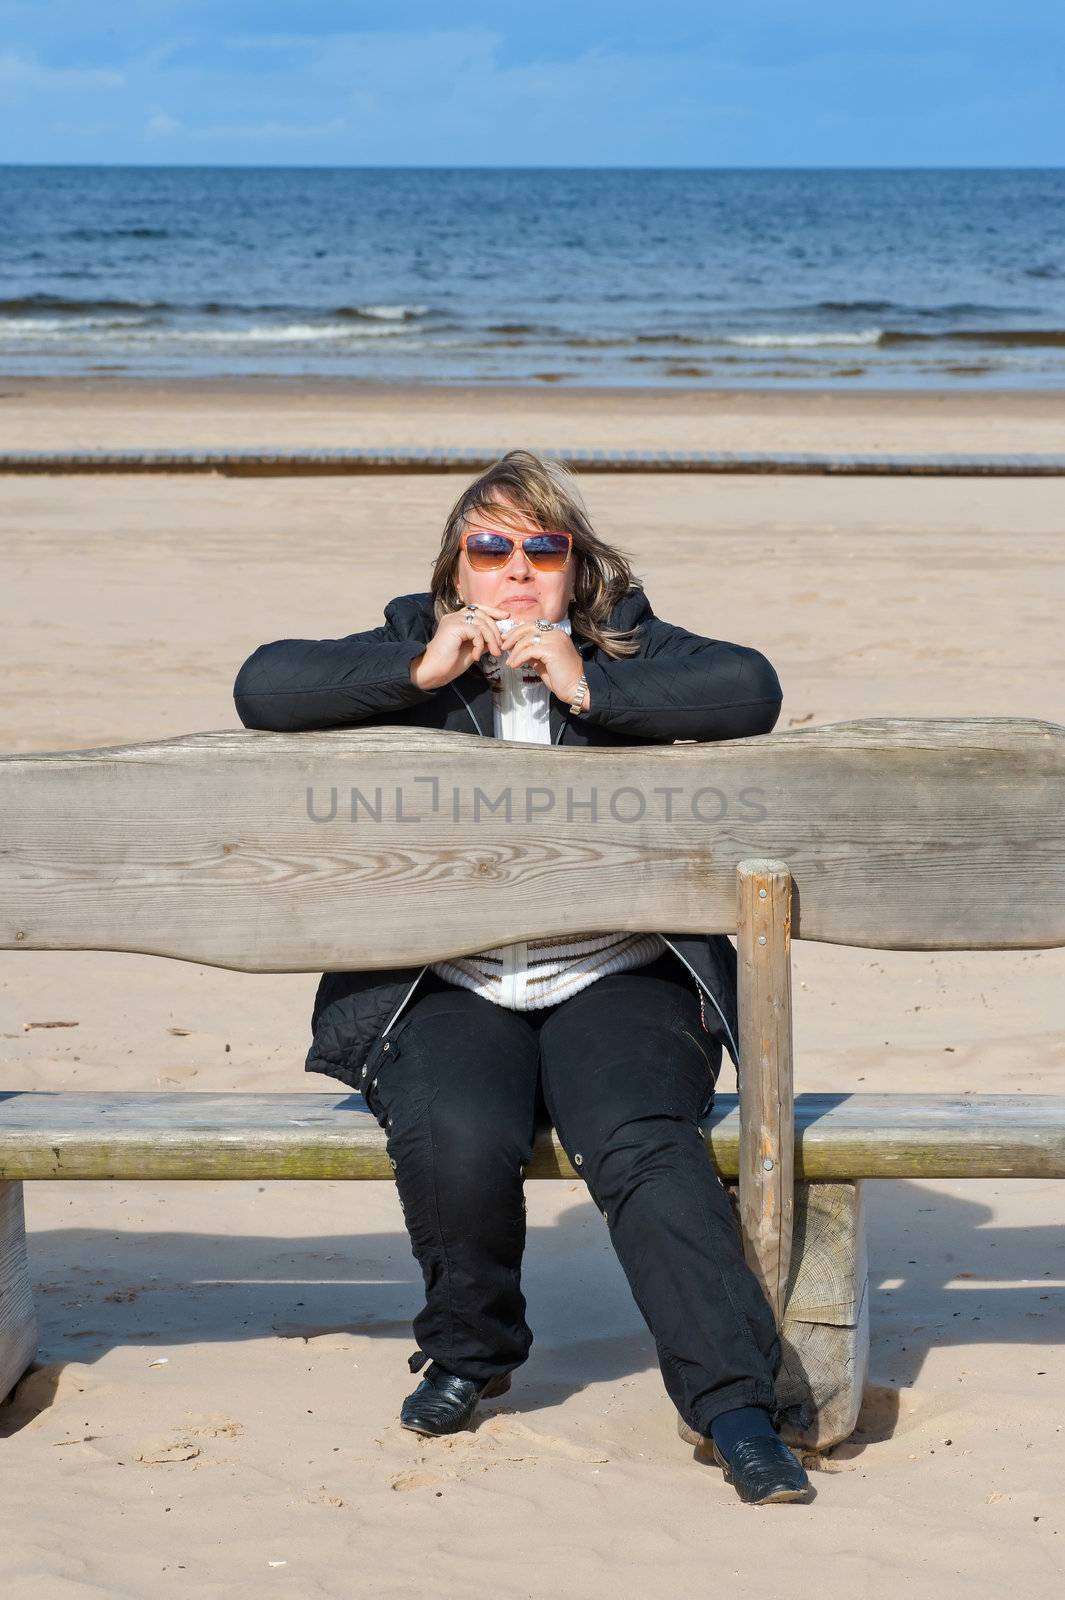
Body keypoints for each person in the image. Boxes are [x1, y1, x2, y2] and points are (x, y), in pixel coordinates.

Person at [233, 449, 812, 1505]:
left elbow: (752, 686)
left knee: (639, 1137)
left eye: (542, 548)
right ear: (456, 571)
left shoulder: (627, 643)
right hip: (448, 980)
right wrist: (421, 674)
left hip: (618, 972)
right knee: (457, 1132)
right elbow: (263, 683)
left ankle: (737, 1406)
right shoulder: (413, 644)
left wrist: (591, 683)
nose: (515, 569)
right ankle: (472, 1347)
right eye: (489, 547)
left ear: (575, 569)